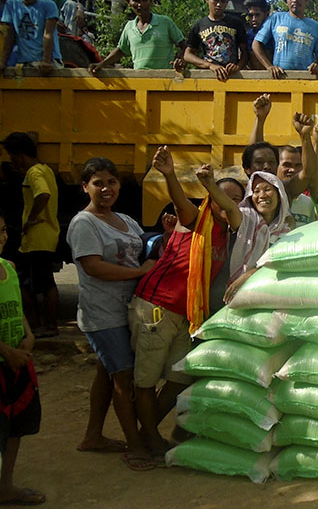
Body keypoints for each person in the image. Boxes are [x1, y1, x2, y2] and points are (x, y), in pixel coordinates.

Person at [127, 145, 243, 456]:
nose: (228, 201)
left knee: (180, 378)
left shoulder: (230, 231)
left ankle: (145, 432)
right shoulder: (196, 219)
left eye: (235, 199)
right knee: (147, 379)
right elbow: (180, 204)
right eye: (224, 194)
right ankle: (147, 439)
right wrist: (169, 174)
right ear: (209, 196)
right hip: (156, 308)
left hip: (186, 316)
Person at [68, 157, 157, 471]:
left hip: (127, 310)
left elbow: (142, 248)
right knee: (123, 376)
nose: (106, 189)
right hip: (102, 314)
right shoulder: (84, 223)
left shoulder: (125, 220)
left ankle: (93, 436)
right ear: (85, 187)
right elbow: (92, 266)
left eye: (111, 182)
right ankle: (135, 445)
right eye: (98, 183)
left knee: (107, 373)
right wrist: (137, 274)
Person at [0, 210, 45, 506]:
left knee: (16, 428)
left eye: (3, 230)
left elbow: (17, 308)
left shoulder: (9, 267)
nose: (2, 237)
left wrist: (29, 337)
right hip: (7, 359)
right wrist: (6, 351)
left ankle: (6, 485)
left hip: (17, 363)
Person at [196, 164, 291, 300]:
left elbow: (282, 264)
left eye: (268, 189)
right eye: (256, 191)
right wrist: (210, 185)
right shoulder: (246, 219)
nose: (262, 195)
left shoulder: (288, 231)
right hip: (229, 295)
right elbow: (230, 209)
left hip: (270, 295)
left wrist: (250, 275)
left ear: (280, 194)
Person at [1, 133, 59, 337]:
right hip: (45, 235)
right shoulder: (45, 169)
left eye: (12, 156)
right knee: (33, 281)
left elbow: (43, 194)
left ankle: (49, 326)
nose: (10, 161)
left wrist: (31, 218)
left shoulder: (33, 173)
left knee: (41, 282)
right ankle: (38, 324)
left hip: (38, 236)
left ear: (20, 154)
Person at [247, 93, 317, 227]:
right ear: (248, 168)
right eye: (287, 165)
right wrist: (259, 119)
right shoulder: (250, 188)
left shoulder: (285, 191)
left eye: (271, 162)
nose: (266, 166)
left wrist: (305, 136)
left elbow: (309, 173)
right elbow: (254, 153)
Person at [89, 0, 186, 73]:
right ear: (128, 2)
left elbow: (184, 45)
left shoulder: (165, 22)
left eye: (144, 0)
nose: (140, 4)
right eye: (136, 0)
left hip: (164, 78)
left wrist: (181, 61)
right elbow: (121, 50)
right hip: (140, 80)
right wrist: (102, 64)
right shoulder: (129, 27)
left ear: (150, 1)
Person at [252, 0, 318, 78]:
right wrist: (269, 66)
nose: (295, 1)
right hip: (280, 76)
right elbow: (256, 44)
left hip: (306, 78)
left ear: (306, 1)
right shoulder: (276, 18)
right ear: (286, 2)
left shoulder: (315, 26)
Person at [184, 0, 247, 82]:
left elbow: (245, 52)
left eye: (223, 1)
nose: (219, 4)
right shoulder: (199, 25)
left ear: (227, 2)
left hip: (232, 77)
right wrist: (209, 65)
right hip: (208, 77)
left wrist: (237, 66)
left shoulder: (236, 23)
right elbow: (187, 55)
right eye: (215, 0)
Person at [0, 0, 61, 74]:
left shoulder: (48, 6)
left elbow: (48, 34)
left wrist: (46, 61)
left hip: (48, 60)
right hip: (24, 61)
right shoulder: (11, 5)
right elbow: (9, 36)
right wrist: (2, 62)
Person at [244, 0, 274, 70]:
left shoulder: (274, 35)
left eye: (257, 15)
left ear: (266, 15)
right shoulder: (248, 36)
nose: (254, 19)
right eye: (251, 15)